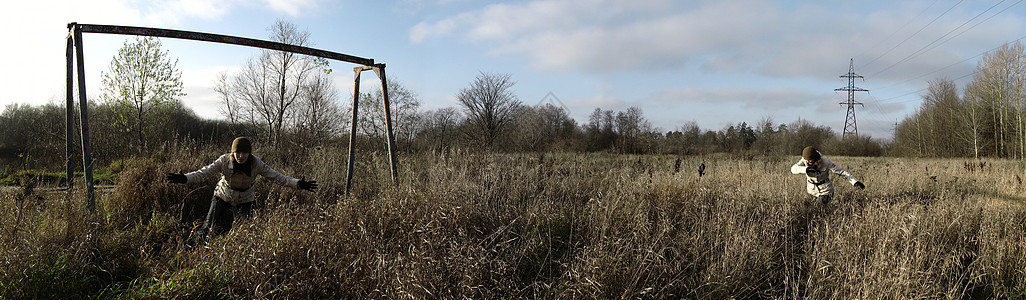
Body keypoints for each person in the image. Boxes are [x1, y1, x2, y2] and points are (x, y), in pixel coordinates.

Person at [166, 137, 318, 242]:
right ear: (233, 152)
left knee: (245, 232)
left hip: (245, 200)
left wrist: (298, 184)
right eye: (238, 152)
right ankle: (194, 249)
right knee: (207, 227)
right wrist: (185, 178)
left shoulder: (256, 163)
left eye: (245, 152)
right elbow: (203, 173)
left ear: (249, 153)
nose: (241, 156)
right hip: (222, 195)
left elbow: (278, 177)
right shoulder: (223, 160)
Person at [790, 146, 864, 204]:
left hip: (826, 191)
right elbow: (793, 169)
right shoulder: (804, 159)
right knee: (815, 212)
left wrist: (855, 182)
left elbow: (841, 171)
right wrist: (806, 169)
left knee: (817, 209)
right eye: (807, 160)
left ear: (815, 157)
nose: (808, 162)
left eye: (810, 160)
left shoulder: (825, 162)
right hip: (812, 191)